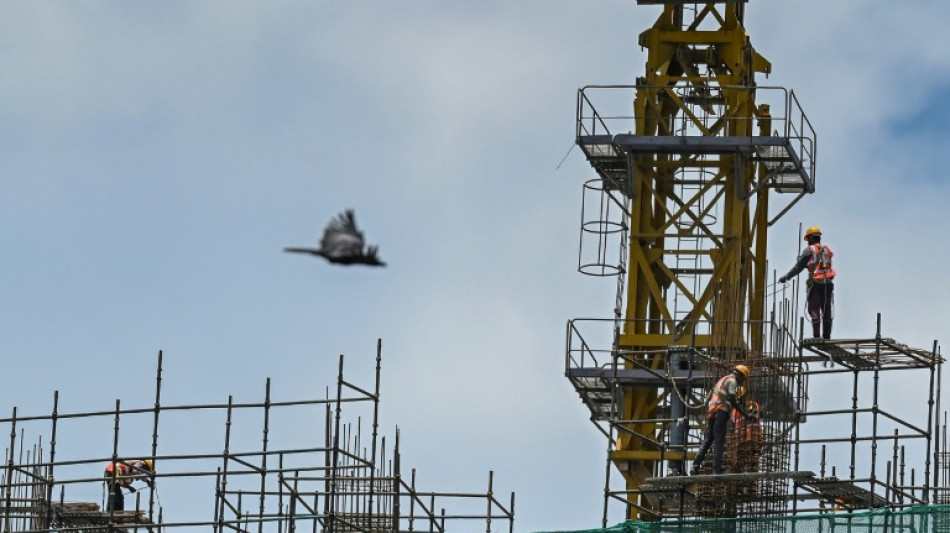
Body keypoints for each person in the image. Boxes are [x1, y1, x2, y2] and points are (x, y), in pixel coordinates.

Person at [690, 365, 753, 475]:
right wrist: (745, 414)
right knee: (719, 440)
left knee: (708, 439)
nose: (741, 382)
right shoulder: (732, 381)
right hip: (720, 412)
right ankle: (717, 469)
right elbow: (733, 399)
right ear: (740, 375)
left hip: (712, 411)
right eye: (743, 379)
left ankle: (695, 465)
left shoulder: (722, 379)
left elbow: (711, 396)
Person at [779, 226, 836, 340]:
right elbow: (822, 265)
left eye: (808, 239)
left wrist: (786, 277)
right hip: (828, 283)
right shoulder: (827, 249)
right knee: (827, 310)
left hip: (815, 284)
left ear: (811, 238)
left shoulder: (809, 250)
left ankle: (816, 336)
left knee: (814, 309)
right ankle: (827, 337)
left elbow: (798, 267)